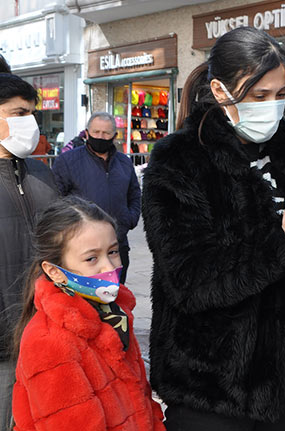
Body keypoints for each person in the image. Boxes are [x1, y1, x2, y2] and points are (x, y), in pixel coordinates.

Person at [142, 27, 285, 431]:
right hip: (213, 383)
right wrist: (280, 242)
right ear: (220, 90)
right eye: (258, 96)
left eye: (281, 95)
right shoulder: (179, 161)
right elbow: (188, 279)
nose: (271, 107)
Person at [11, 196, 164, 431]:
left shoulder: (116, 315)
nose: (109, 267)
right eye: (91, 258)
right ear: (55, 271)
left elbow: (141, 398)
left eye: (113, 251)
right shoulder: (49, 342)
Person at [0, 73, 57, 431]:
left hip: (45, 336)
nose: (30, 124)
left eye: (32, 114)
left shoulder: (43, 174)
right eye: (19, 113)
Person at [52, 112, 141, 284]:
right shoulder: (67, 161)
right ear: (87, 133)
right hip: (82, 245)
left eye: (106, 133)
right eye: (96, 132)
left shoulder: (124, 162)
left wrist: (129, 219)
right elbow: (57, 199)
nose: (101, 137)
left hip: (117, 243)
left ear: (114, 136)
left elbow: (134, 194)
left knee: (116, 293)